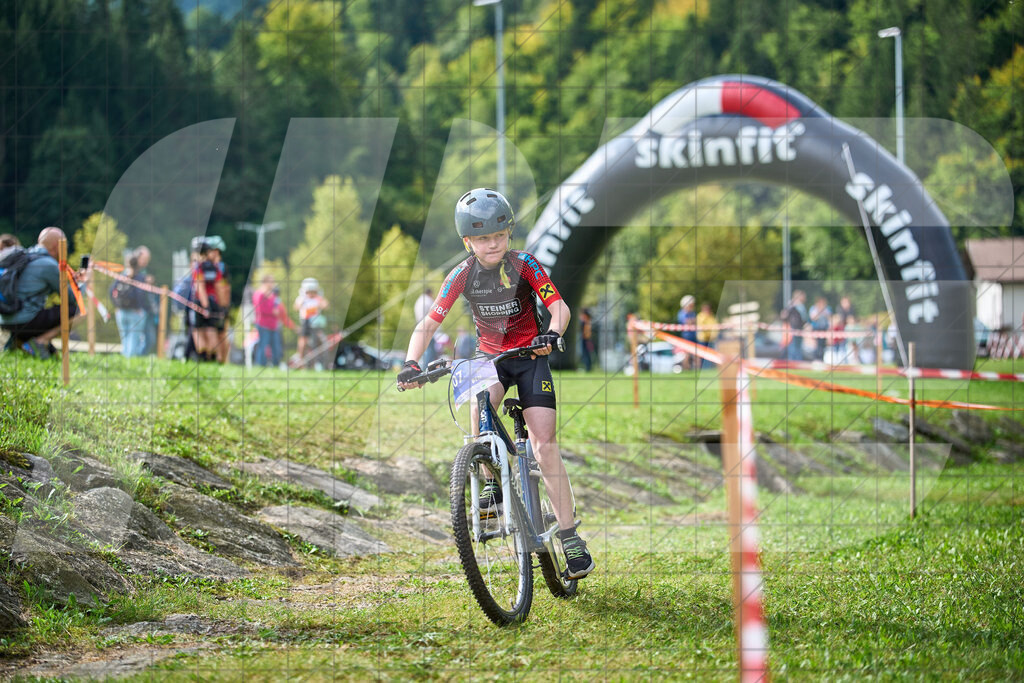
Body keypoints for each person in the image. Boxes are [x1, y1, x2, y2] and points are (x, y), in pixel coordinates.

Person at [396, 187, 594, 580]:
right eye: (483, 238)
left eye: (499, 236)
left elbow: (559, 307)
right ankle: (491, 480)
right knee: (477, 401)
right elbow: (428, 324)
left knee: (543, 443)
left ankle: (571, 538)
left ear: (509, 234)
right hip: (491, 358)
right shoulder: (461, 275)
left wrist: (552, 333)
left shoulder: (525, 266)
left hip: (531, 357)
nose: (493, 244)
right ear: (467, 241)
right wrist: (410, 364)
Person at [0, 227, 84, 358]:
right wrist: (83, 283)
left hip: (5, 319)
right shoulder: (48, 264)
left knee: (53, 357)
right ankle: (40, 341)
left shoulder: (25, 256)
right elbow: (72, 298)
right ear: (57, 246)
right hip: (25, 321)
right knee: (79, 311)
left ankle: (17, 342)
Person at [189, 240, 225, 362]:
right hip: (214, 301)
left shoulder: (198, 267)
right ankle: (213, 358)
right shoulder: (214, 268)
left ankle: (203, 358)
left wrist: (205, 306)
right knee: (211, 330)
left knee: (198, 331)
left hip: (200, 302)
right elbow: (219, 287)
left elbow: (200, 287)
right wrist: (221, 306)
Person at [110, 252, 148, 357]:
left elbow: (111, 291)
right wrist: (139, 307)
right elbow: (140, 294)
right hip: (135, 313)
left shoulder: (121, 276)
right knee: (134, 340)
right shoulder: (139, 277)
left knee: (125, 339)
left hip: (121, 312)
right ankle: (129, 363)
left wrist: (116, 306)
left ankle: (125, 360)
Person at [295, 278, 328, 367]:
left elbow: (325, 305)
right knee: (303, 341)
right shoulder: (302, 298)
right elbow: (296, 307)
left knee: (318, 341)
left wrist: (319, 302)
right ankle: (301, 360)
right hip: (305, 322)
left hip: (316, 323)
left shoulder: (318, 298)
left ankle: (319, 362)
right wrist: (303, 300)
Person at [414, 287, 439, 368]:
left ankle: (423, 366)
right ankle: (427, 367)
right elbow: (434, 312)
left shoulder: (418, 300)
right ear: (430, 293)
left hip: (419, 325)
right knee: (429, 348)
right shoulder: (428, 300)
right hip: (427, 326)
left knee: (423, 348)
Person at [781, 290, 807, 361]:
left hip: (799, 328)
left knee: (797, 347)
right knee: (793, 347)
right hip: (794, 327)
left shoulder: (801, 306)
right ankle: (793, 362)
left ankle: (797, 362)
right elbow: (784, 315)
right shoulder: (793, 305)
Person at [808, 296, 832, 361]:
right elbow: (812, 318)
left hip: (824, 330)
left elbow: (829, 319)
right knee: (816, 345)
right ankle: (815, 359)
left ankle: (821, 359)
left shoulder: (827, 309)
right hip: (816, 329)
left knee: (822, 346)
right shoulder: (813, 308)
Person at [677, 295, 697, 369]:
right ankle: (686, 368)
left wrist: (692, 321)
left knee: (696, 353)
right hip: (687, 336)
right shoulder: (682, 313)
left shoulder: (692, 313)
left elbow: (693, 322)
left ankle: (697, 368)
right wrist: (692, 321)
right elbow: (687, 322)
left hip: (694, 335)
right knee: (687, 354)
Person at [696, 302, 717, 368]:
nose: (707, 310)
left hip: (710, 339)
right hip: (702, 339)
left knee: (711, 354)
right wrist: (705, 316)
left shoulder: (711, 316)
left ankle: (710, 367)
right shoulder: (700, 316)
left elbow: (715, 326)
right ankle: (701, 367)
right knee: (701, 354)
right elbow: (701, 325)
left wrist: (714, 335)